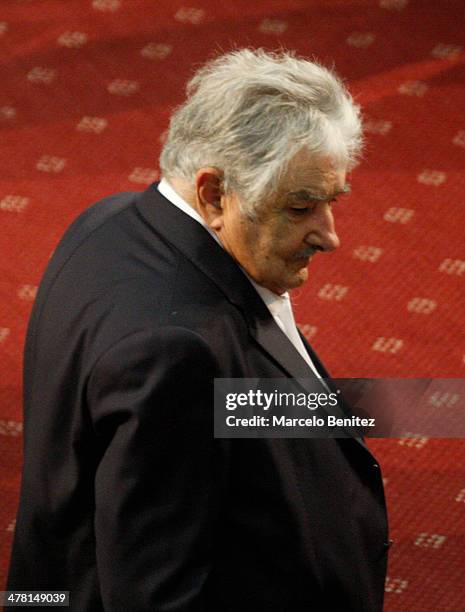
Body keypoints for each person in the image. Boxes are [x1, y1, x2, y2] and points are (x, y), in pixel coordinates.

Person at [8, 49, 389, 611]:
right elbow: (155, 593)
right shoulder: (174, 352)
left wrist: (425, 408)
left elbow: (227, 404)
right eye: (302, 206)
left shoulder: (108, 220)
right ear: (214, 193)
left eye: (331, 201)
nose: (329, 235)